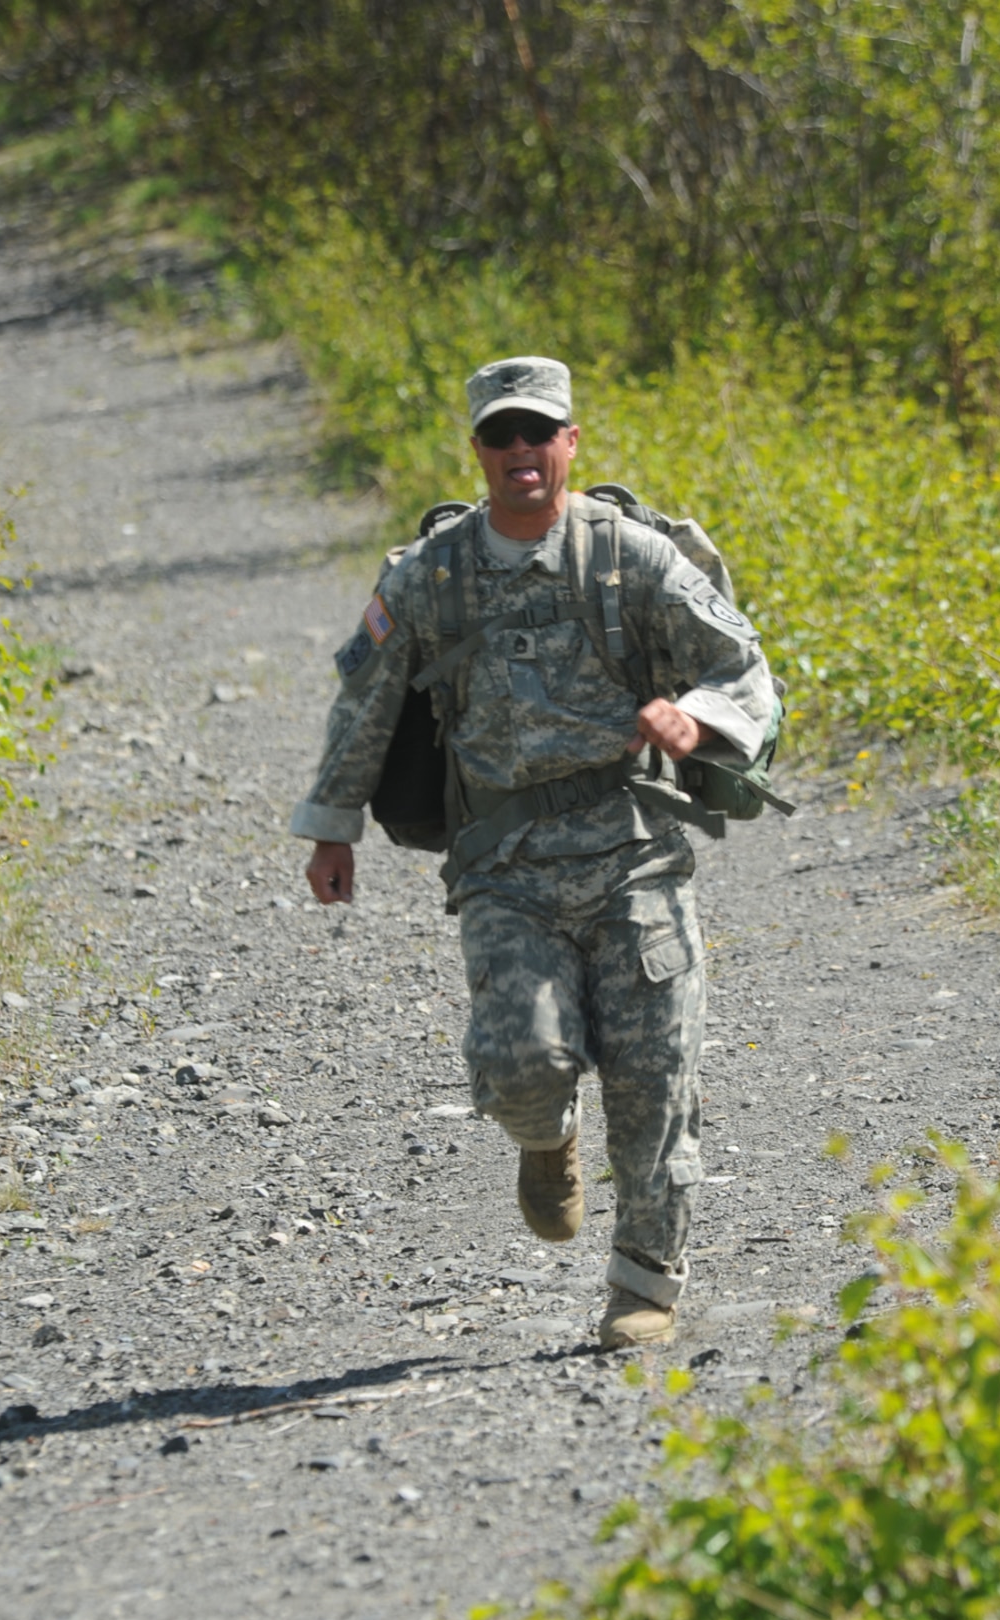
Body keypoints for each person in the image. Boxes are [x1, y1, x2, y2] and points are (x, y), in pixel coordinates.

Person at [291, 356, 775, 1348]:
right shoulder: (430, 576)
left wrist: (693, 717)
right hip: (502, 859)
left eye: (536, 432)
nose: (519, 451)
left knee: (654, 1076)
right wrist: (332, 824)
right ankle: (542, 1134)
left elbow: (741, 663)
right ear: (476, 448)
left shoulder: (631, 558)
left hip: (632, 847)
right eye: (499, 435)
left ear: (569, 442)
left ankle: (643, 1280)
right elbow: (366, 701)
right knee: (520, 1059)